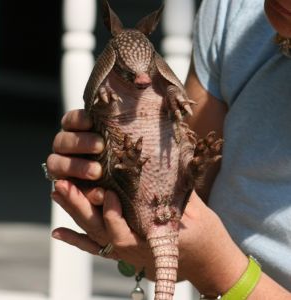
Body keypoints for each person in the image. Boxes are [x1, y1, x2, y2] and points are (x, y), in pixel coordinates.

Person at [46, 0, 291, 298]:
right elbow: (190, 192)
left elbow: (197, 247)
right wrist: (126, 240)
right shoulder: (232, 8)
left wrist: (217, 267)